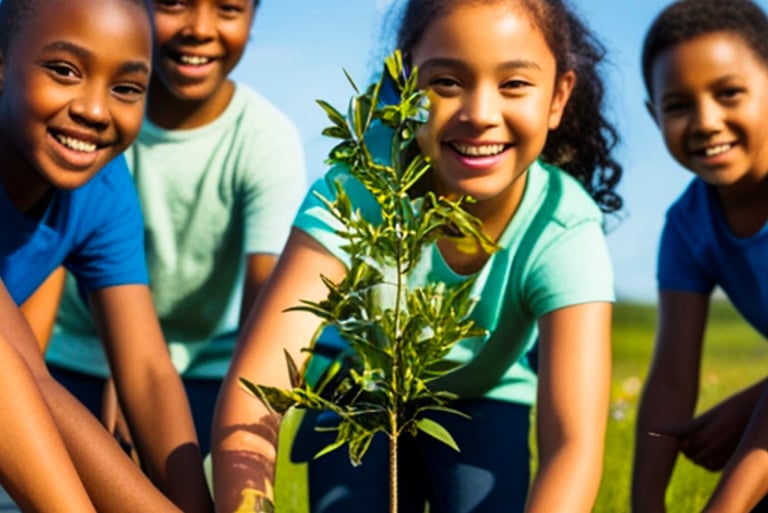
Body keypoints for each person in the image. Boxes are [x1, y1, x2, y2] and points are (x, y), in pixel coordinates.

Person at [212, 0, 623, 511]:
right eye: (447, 83)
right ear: (406, 84)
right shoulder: (358, 191)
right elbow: (258, 388)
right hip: (361, 389)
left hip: (484, 399)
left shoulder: (564, 226)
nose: (480, 114)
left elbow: (574, 445)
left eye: (514, 84)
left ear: (558, 96)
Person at [33, 0, 306, 457]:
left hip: (205, 365)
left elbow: (267, 313)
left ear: (255, 17)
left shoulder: (265, 140)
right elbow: (47, 256)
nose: (199, 28)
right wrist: (119, 364)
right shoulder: (94, 126)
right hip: (74, 353)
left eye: (228, 8)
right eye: (174, 3)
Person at [0, 0, 213, 512]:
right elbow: (19, 372)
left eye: (126, 88)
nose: (94, 110)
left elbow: (146, 370)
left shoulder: (104, 189)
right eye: (64, 70)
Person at [632, 1, 768, 512]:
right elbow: (671, 376)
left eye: (729, 93)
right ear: (654, 113)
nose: (707, 121)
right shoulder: (688, 225)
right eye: (679, 105)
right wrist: (645, 503)